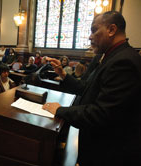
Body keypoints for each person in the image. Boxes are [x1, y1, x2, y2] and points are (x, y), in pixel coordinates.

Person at [43, 11, 141, 166]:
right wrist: (62, 73)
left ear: (111, 30)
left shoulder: (123, 61)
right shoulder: (109, 56)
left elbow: (102, 113)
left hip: (108, 154)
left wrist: (60, 110)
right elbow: (86, 89)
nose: (90, 37)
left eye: (94, 30)